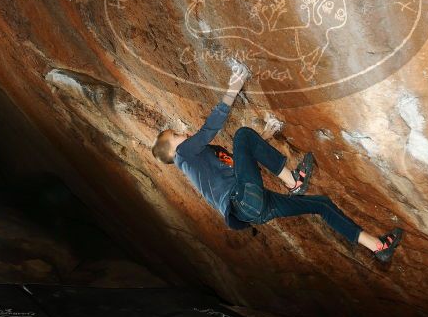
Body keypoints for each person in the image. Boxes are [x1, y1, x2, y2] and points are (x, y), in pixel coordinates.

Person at [151, 65, 403, 263]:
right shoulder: (184, 156)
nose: (183, 134)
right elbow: (209, 130)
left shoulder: (201, 161)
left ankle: (378, 247)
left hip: (254, 210)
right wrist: (233, 89)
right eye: (176, 135)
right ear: (173, 151)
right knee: (240, 134)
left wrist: (264, 137)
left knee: (321, 204)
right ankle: (294, 181)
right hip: (242, 200)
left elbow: (242, 163)